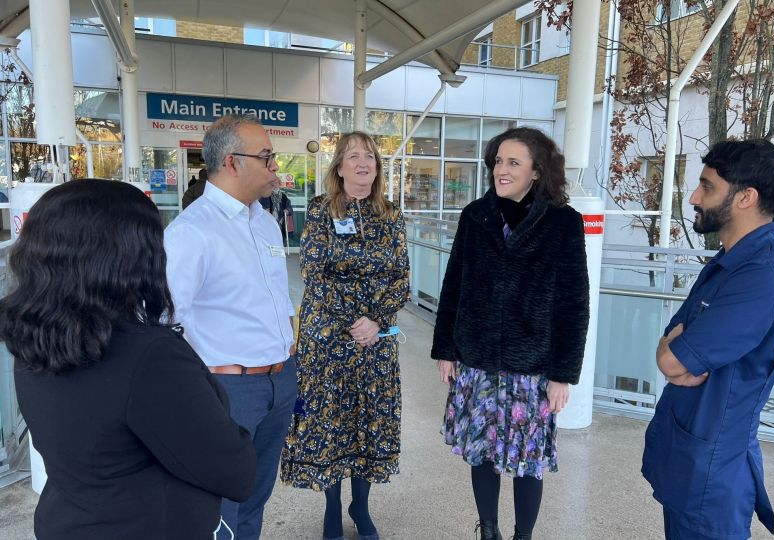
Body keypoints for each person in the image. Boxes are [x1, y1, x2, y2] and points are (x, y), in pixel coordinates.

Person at [0, 179, 256, 540]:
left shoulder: (33, 337)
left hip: (67, 523)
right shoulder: (149, 356)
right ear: (133, 255)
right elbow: (235, 472)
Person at [643, 139, 774, 540]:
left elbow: (670, 360)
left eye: (707, 187)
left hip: (713, 470)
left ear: (746, 197)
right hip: (688, 453)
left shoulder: (766, 275)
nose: (694, 198)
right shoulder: (729, 262)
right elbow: (670, 340)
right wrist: (673, 353)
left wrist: (674, 354)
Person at [431, 127, 589, 540]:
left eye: (513, 162)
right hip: (477, 360)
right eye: (498, 161)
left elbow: (574, 303)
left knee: (527, 459)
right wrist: (445, 349)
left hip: (532, 367)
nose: (501, 169)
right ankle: (488, 530)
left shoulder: (563, 222)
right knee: (481, 451)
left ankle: (523, 536)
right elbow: (454, 285)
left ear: (537, 171)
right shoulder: (475, 216)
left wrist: (562, 375)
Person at [165, 115, 298, 540]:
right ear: (232, 163)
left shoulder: (263, 220)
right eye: (267, 157)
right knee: (220, 509)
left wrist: (290, 357)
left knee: (255, 497)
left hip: (280, 381)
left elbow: (278, 297)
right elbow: (166, 321)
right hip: (227, 390)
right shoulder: (191, 232)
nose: (275, 166)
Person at [280, 131, 410, 540]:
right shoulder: (321, 210)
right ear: (339, 167)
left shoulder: (391, 213)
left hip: (376, 339)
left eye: (369, 156)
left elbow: (401, 276)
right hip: (328, 336)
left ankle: (361, 506)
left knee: (369, 419)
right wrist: (356, 319)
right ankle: (333, 507)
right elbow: (313, 272)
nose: (363, 162)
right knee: (330, 421)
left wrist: (376, 320)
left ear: (377, 166)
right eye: (353, 156)